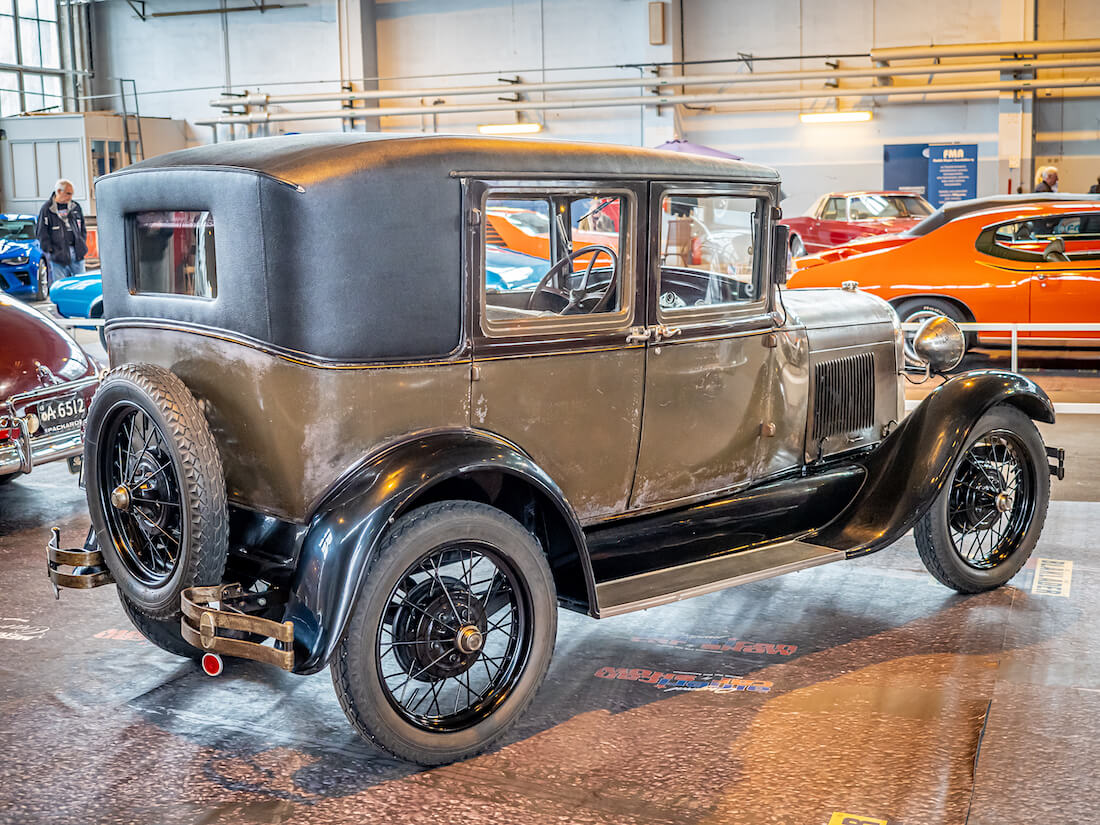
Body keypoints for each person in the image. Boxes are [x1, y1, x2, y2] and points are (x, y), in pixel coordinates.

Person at [36, 178, 88, 289]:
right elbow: (41, 232)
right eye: (68, 193)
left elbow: (82, 228)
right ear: (59, 191)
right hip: (58, 256)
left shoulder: (75, 207)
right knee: (61, 287)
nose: (70, 197)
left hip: (77, 253)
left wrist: (81, 243)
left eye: (72, 194)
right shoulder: (47, 209)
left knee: (81, 286)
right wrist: (50, 250)